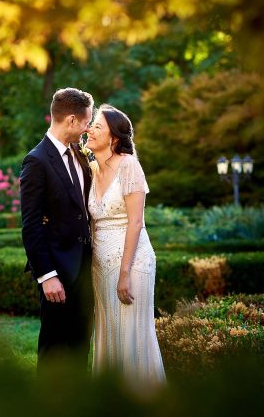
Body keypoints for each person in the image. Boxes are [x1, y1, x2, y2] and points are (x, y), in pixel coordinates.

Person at [85, 104, 166, 387]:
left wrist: (123, 273)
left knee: (132, 336)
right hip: (100, 266)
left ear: (114, 138)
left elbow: (136, 222)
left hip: (132, 265)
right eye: (91, 124)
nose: (89, 129)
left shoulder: (129, 165)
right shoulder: (91, 169)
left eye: (97, 126)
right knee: (109, 334)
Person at [20, 87, 94, 370]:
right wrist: (46, 276)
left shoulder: (80, 154)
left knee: (80, 345)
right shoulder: (36, 161)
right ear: (72, 121)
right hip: (58, 273)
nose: (87, 129)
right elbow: (31, 225)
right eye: (86, 122)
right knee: (54, 347)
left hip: (85, 268)